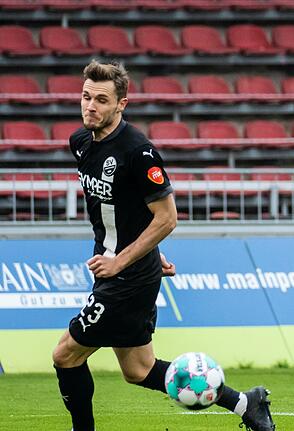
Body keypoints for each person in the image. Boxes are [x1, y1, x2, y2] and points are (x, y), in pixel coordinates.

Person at [51, 60, 276, 431]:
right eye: (86, 97)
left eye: (101, 100)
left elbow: (168, 217)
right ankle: (245, 404)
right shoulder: (80, 143)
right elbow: (129, 212)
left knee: (65, 355)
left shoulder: (138, 151)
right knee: (138, 370)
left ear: (121, 104)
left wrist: (125, 261)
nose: (90, 106)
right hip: (123, 269)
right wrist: (152, 254)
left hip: (126, 278)